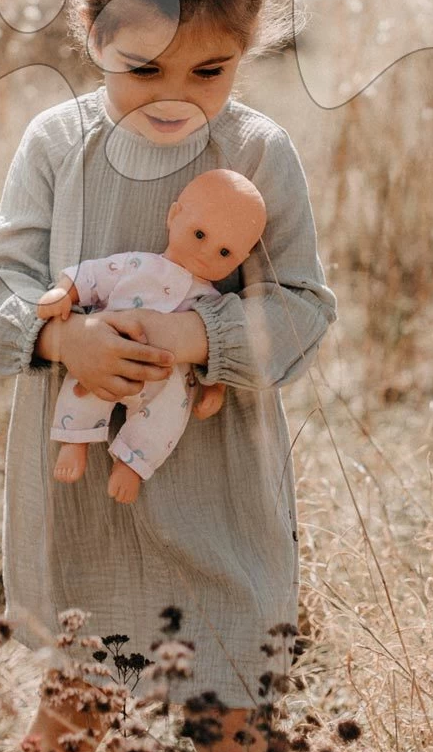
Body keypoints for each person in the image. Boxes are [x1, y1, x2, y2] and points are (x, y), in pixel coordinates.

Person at [0, 0, 338, 752]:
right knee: (75, 705)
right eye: (144, 71)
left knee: (239, 722)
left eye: (208, 72)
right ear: (91, 39)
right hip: (86, 491)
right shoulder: (56, 146)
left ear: (247, 52)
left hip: (213, 488)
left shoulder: (262, 155)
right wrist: (61, 342)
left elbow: (306, 311)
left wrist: (204, 331)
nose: (177, 98)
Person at [38, 167, 268, 502]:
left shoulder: (214, 302)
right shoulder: (137, 265)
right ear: (174, 215)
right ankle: (75, 442)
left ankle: (133, 464)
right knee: (84, 387)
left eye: (224, 253)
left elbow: (220, 351)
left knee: (167, 420)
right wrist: (64, 293)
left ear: (241, 260)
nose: (207, 253)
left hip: (168, 381)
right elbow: (92, 276)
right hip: (106, 351)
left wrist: (215, 387)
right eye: (200, 235)